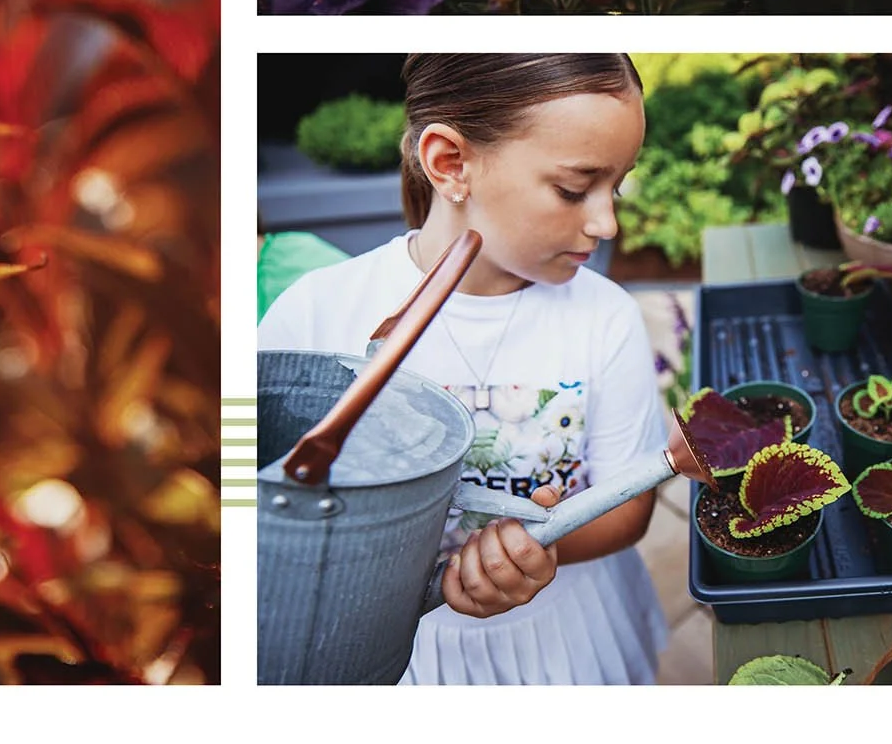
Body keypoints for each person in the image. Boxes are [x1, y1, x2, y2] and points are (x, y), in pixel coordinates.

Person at [258, 53, 669, 685]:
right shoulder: (315, 312)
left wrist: (536, 548)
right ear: (451, 163)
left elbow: (627, 510)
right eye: (572, 188)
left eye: (617, 185)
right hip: (384, 654)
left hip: (559, 643)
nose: (605, 222)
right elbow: (236, 492)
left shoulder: (605, 316)